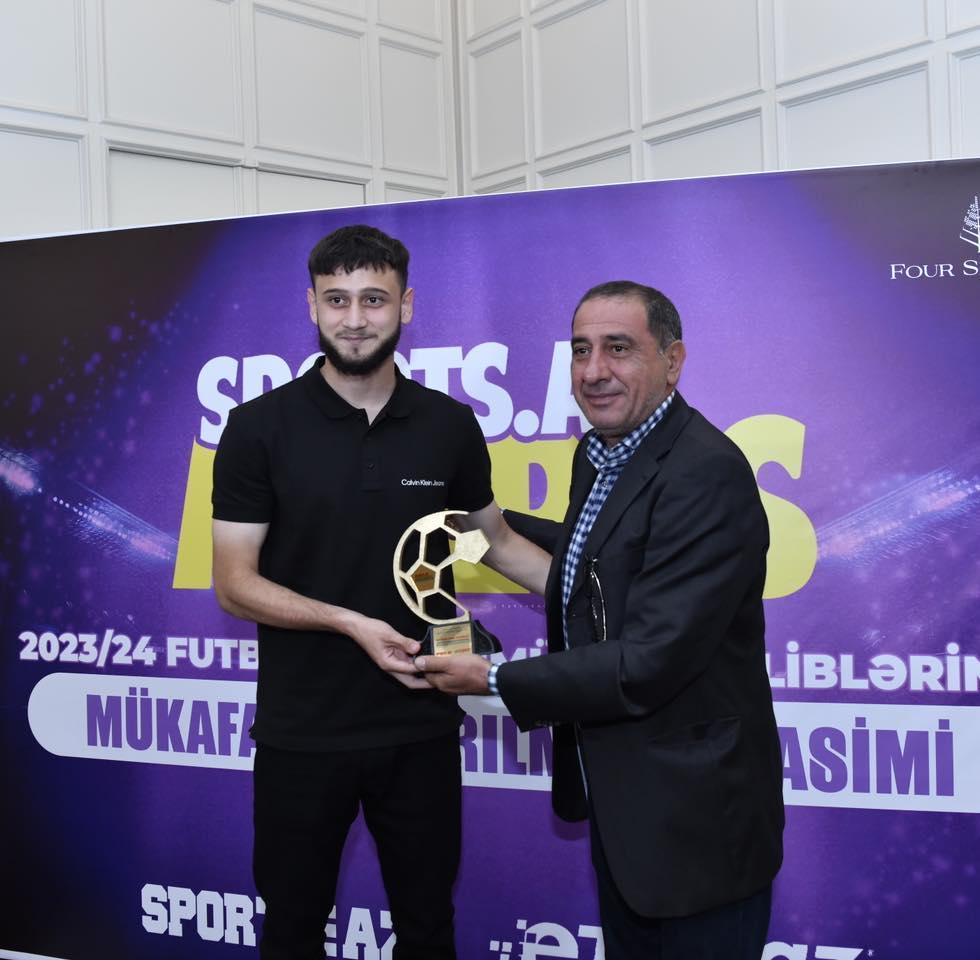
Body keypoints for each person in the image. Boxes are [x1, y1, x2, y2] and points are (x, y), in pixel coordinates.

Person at [419, 280, 785, 960]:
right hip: (629, 817)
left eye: (619, 348)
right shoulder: (602, 453)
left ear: (672, 361)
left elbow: (651, 658)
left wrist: (492, 679)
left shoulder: (704, 472)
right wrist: (475, 525)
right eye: (581, 350)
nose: (593, 371)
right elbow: (591, 570)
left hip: (697, 827)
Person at [210, 224, 546, 960]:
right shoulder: (258, 428)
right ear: (311, 306)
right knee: (292, 931)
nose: (355, 318)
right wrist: (350, 623)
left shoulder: (448, 425)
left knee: (426, 929)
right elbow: (234, 584)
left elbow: (492, 542)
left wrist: (602, 592)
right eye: (337, 300)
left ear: (406, 305)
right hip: (304, 733)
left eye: (373, 299)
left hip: (420, 727)